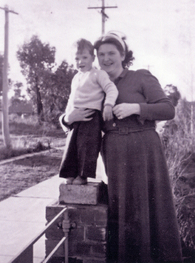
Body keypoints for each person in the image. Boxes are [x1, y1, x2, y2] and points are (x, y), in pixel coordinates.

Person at [94, 31, 183, 263]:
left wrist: (136, 108)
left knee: (152, 205)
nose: (106, 58)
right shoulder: (95, 84)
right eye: (101, 54)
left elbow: (168, 109)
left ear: (123, 54)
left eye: (111, 53)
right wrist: (65, 119)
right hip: (113, 150)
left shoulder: (141, 77)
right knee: (122, 209)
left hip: (144, 148)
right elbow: (76, 110)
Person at [59, 38, 118, 185]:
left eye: (84, 57)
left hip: (91, 117)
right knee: (72, 146)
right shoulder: (75, 78)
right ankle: (70, 174)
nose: (80, 61)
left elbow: (111, 89)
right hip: (75, 116)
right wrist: (67, 119)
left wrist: (108, 105)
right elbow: (71, 100)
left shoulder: (98, 74)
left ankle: (82, 176)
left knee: (87, 146)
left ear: (93, 58)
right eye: (77, 58)